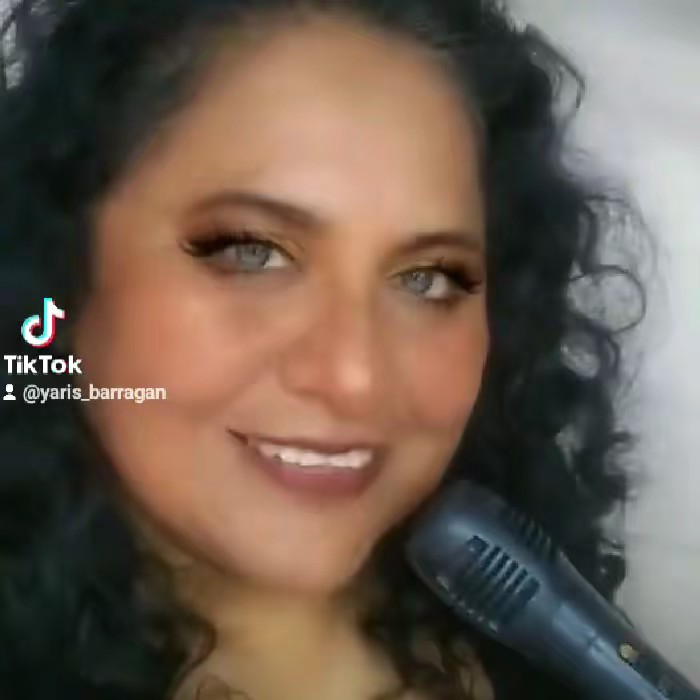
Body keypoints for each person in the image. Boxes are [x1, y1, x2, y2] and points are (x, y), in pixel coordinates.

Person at [0, 1, 649, 699]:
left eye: (426, 279)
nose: (355, 377)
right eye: (252, 252)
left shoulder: (556, 644)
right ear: (61, 264)